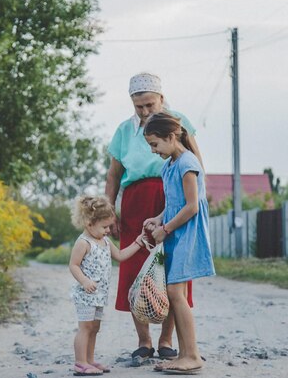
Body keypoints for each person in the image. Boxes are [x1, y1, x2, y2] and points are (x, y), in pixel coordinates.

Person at [105, 72, 204, 363]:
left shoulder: (177, 121)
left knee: (171, 270)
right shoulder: (124, 130)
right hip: (136, 202)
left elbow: (196, 161)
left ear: (161, 98)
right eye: (139, 106)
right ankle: (144, 341)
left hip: (170, 196)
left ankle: (167, 341)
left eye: (150, 104)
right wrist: (110, 211)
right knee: (136, 267)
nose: (146, 111)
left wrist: (196, 196)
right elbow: (113, 175)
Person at [142, 112, 215, 374]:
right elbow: (174, 203)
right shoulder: (168, 166)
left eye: (155, 144)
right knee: (175, 295)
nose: (153, 150)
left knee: (175, 293)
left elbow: (192, 207)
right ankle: (184, 354)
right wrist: (158, 218)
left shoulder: (187, 163)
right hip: (175, 231)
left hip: (187, 233)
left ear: (172, 137)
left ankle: (192, 355)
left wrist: (166, 229)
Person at [69, 196, 148, 376]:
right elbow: (73, 265)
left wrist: (138, 242)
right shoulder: (83, 243)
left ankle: (90, 360)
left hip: (99, 295)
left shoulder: (105, 242)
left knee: (95, 328)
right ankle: (80, 362)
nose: (108, 231)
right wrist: (84, 281)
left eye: (109, 227)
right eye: (105, 227)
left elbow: (120, 255)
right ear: (89, 223)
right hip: (86, 294)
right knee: (85, 328)